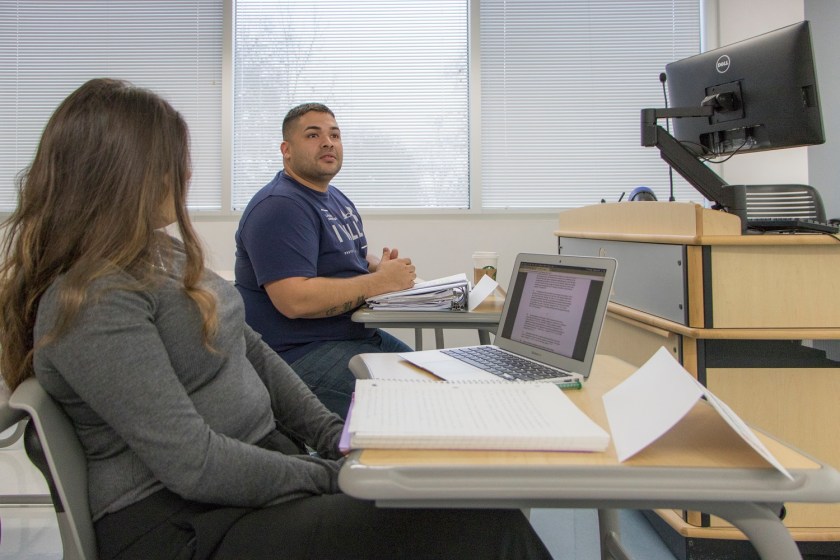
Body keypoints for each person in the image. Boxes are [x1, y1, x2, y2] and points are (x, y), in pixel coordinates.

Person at [0, 79, 552, 560]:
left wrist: (334, 438)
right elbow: (194, 464)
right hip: (189, 525)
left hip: (250, 478)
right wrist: (331, 475)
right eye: (172, 160)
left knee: (454, 495)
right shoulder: (95, 301)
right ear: (121, 174)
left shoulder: (158, 254)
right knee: (482, 522)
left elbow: (253, 350)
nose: (187, 173)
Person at [235, 102, 415, 419]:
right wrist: (380, 281)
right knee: (418, 404)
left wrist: (377, 265)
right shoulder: (280, 206)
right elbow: (295, 300)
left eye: (334, 135)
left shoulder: (335, 199)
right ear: (286, 150)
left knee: (443, 385)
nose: (328, 142)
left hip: (351, 336)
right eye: (313, 135)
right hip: (296, 355)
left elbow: (348, 255)